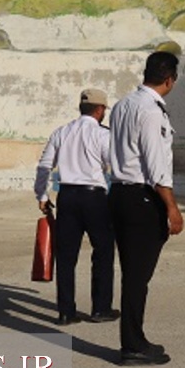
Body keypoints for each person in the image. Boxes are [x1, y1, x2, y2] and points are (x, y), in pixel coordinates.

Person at [109, 51, 185, 366]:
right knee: (138, 277)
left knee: (132, 275)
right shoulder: (152, 112)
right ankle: (132, 345)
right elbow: (156, 166)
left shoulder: (123, 105)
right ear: (170, 80)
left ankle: (135, 339)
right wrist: (172, 208)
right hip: (142, 199)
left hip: (119, 195)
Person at [34, 88, 119, 326]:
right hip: (94, 198)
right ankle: (101, 308)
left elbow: (44, 166)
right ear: (100, 110)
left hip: (67, 196)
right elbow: (113, 165)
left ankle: (65, 311)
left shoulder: (61, 132)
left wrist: (41, 195)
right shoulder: (104, 135)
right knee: (102, 250)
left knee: (66, 255)